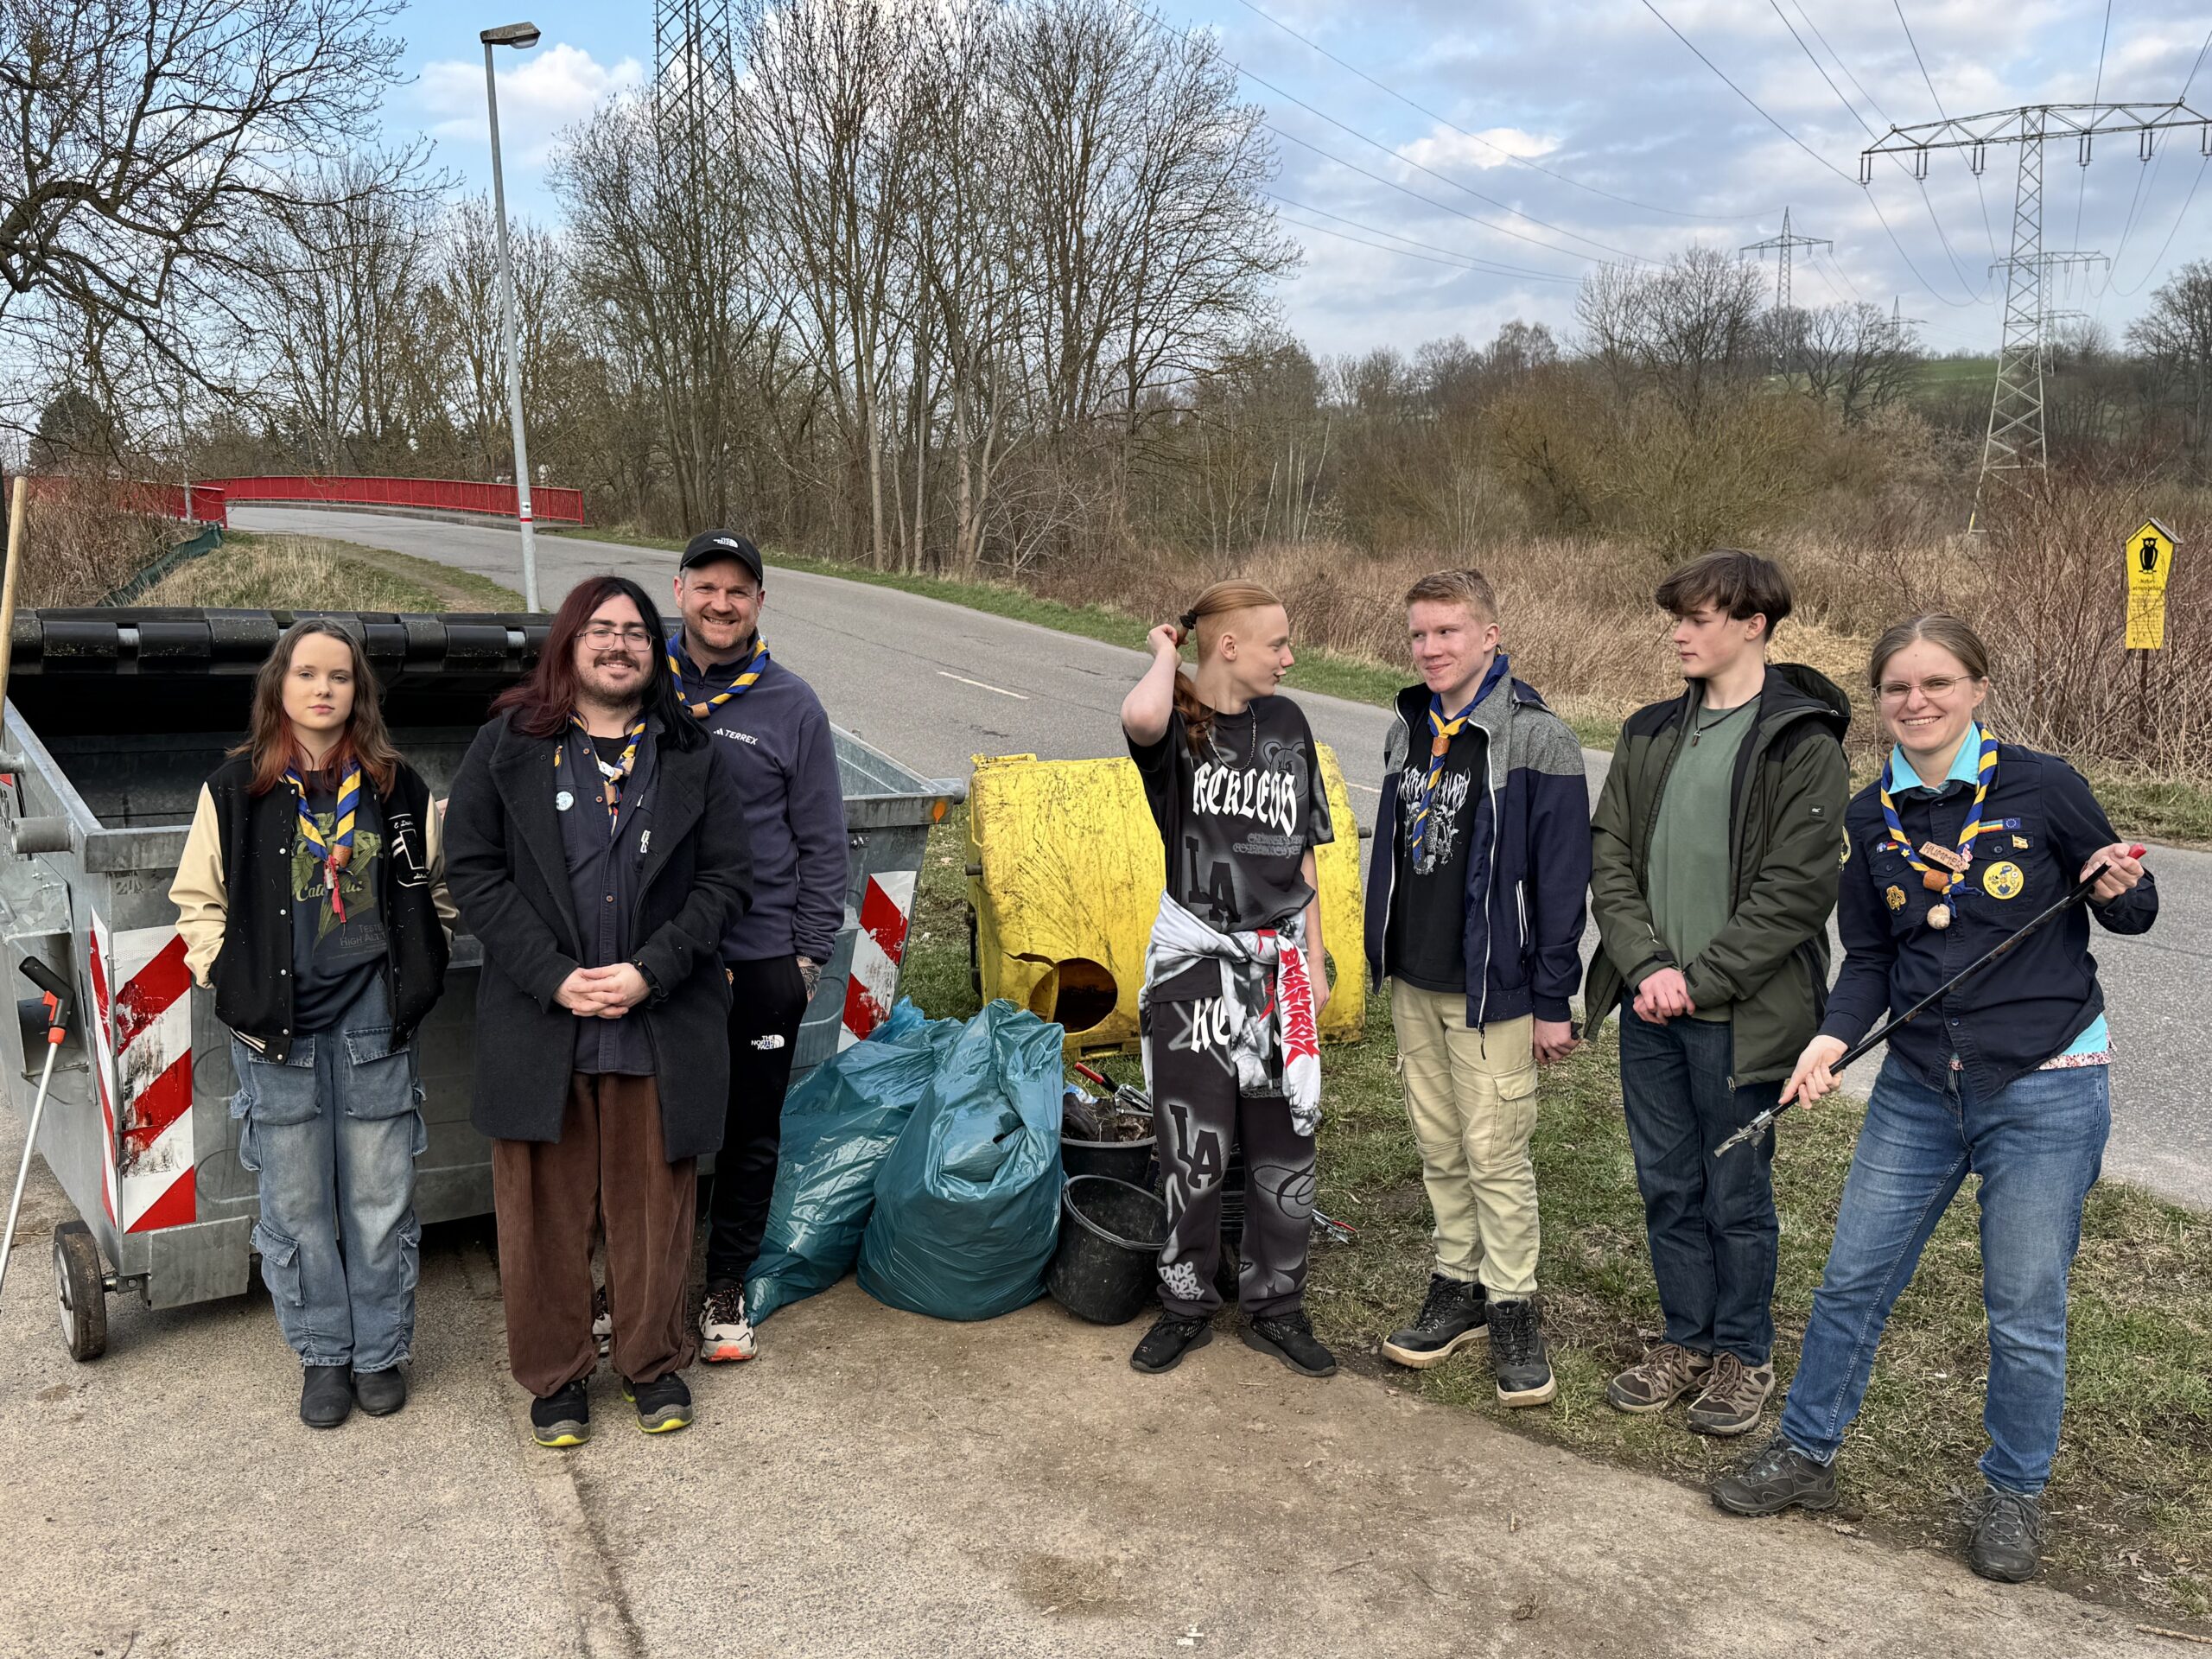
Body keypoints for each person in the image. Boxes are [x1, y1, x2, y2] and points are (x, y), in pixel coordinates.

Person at [1713, 614, 2155, 1585]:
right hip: (1918, 1086)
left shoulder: (2043, 786)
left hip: (2046, 1083)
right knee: (1850, 1282)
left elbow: (2128, 907)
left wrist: (2118, 887)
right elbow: (1871, 956)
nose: (1915, 702)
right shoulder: (1869, 816)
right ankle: (1807, 1452)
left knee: (2023, 1308)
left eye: (1937, 683)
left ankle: (2013, 1493)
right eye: (1896, 688)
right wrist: (1828, 1042)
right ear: (1877, 701)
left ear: (1977, 688)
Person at [444, 575, 752, 1446]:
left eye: (636, 634)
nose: (619, 645)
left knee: (654, 1212)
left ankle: (651, 1365)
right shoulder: (508, 746)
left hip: (660, 1025)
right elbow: (471, 871)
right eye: (600, 630)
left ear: (654, 657)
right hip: (544, 1025)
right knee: (542, 1216)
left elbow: (728, 882)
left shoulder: (691, 755)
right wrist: (551, 974)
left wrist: (653, 970)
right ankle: (555, 1379)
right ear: (569, 646)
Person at [1585, 549, 1850, 1439]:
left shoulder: (1802, 743)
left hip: (1743, 1018)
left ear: (1752, 623)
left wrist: (1697, 981)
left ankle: (1743, 1354)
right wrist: (1648, 967)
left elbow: (1795, 893)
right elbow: (1609, 859)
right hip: (1650, 1010)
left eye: (1696, 618)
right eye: (1677, 617)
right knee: (1666, 1183)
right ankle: (1683, 1339)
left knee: (1734, 1192)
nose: (1677, 632)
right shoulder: (1649, 731)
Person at [171, 620, 454, 1428]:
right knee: (295, 1206)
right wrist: (231, 982)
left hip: (374, 1029)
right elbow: (199, 902)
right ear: (279, 687)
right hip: (280, 1036)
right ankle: (324, 1355)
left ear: (359, 692)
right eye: (307, 675)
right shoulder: (234, 789)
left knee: (377, 1202)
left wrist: (423, 973)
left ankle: (380, 1353)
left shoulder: (397, 787)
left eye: (340, 676)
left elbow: (435, 891)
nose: (323, 689)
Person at [1365, 569, 1590, 1406]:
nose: (1429, 649)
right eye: (1418, 634)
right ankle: (1454, 1284)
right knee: (1438, 1143)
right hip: (1413, 980)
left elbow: (1563, 885)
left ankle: (1511, 1305)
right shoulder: (1407, 725)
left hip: (1491, 987)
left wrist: (1550, 996)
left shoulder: (1537, 738)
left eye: (1448, 632)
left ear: (1489, 635)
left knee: (1495, 1151)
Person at [1120, 580, 1336, 1380]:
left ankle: (1277, 1307)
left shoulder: (1290, 722)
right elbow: (1139, 716)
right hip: (1195, 964)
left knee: (1285, 1145)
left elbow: (1307, 852)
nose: (1291, 656)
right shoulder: (1175, 727)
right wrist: (1165, 650)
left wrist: (1314, 961)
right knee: (1192, 1146)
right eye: (1277, 642)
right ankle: (1185, 1302)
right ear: (1229, 646)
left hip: (1277, 963)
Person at [668, 530, 848, 1363]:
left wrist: (806, 960)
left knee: (750, 1132)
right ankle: (644, 1283)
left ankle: (724, 1286)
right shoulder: (641, 687)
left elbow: (821, 841)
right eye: (707, 585)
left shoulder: (793, 706)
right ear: (679, 592)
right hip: (662, 960)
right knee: (654, 1129)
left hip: (762, 958)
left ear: (760, 604)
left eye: (739, 590)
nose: (722, 602)